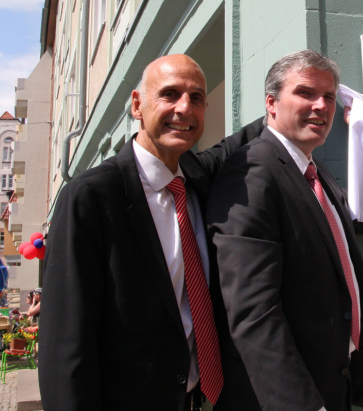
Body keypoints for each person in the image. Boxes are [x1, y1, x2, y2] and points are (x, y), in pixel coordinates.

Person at [39, 54, 263, 411]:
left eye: (197, 98)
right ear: (137, 105)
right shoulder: (93, 196)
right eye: (170, 94)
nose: (184, 109)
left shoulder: (196, 178)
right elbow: (65, 340)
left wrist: (293, 105)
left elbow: (233, 146)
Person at [206, 50, 363, 411]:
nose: (321, 106)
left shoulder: (314, 173)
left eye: (329, 97)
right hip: (286, 395)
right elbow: (252, 310)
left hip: (333, 381)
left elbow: (353, 223)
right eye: (305, 93)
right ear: (271, 104)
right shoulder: (252, 170)